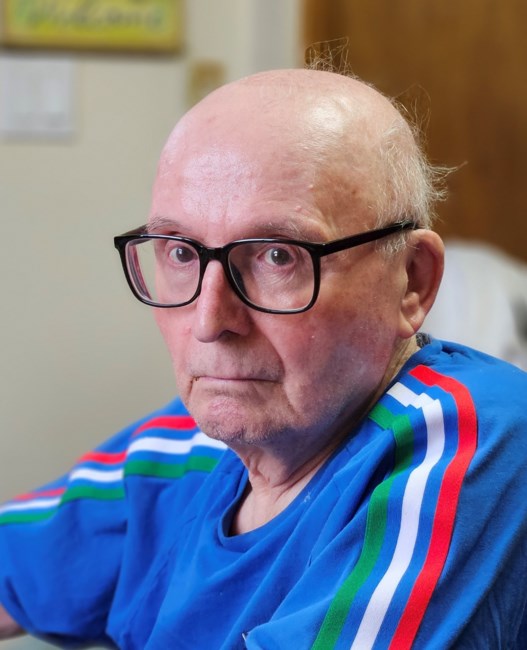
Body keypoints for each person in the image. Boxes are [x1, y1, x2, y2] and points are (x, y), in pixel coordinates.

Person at [1, 68, 527, 649]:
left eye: (279, 256)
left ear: (412, 281)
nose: (209, 321)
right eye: (181, 253)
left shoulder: (474, 440)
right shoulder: (187, 445)